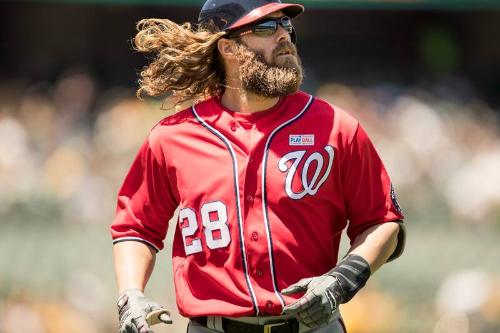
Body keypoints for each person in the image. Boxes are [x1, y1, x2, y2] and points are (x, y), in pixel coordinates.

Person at [110, 0, 406, 332]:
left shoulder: (336, 127)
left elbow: (382, 221)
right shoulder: (172, 138)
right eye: (266, 27)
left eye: (286, 25)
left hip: (313, 325)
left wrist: (343, 278)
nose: (283, 35)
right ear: (228, 47)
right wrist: (130, 294)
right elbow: (135, 228)